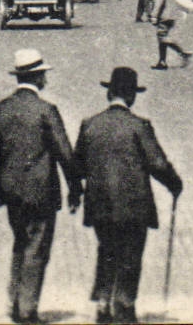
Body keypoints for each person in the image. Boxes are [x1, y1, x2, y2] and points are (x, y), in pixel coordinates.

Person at [0, 49, 82, 325]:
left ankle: (14, 301)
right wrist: (75, 188)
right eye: (44, 75)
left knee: (21, 241)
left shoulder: (0, 109)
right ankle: (27, 311)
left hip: (9, 191)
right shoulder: (46, 111)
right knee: (37, 247)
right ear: (39, 77)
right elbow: (65, 153)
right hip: (41, 191)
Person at [73, 66, 184, 324]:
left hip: (99, 204)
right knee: (131, 255)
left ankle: (103, 305)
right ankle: (124, 306)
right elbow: (157, 163)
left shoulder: (90, 125)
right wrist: (174, 184)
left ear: (109, 93)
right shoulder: (139, 126)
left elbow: (77, 166)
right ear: (132, 96)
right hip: (134, 205)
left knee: (107, 250)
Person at [150, 0, 192, 70]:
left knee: (162, 37)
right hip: (172, 12)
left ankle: (183, 53)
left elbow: (159, 0)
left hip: (165, 14)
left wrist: (154, 15)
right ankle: (162, 61)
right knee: (161, 37)